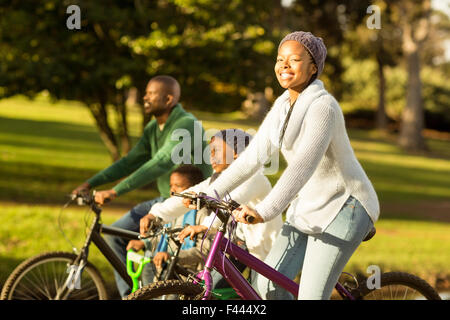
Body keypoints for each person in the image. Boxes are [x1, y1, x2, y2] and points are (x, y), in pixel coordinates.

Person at [199, 31, 380, 300]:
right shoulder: (283, 106)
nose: (284, 65)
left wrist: (265, 210)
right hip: (309, 206)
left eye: (294, 59)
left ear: (313, 68)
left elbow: (302, 167)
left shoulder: (324, 107)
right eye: (279, 59)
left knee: (311, 296)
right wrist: (210, 194)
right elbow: (252, 157)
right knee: (266, 286)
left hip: (346, 206)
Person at [71, 75, 212, 298]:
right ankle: (133, 296)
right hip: (165, 198)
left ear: (168, 99)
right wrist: (91, 183)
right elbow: (130, 161)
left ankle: (151, 294)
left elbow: (160, 163)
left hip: (189, 204)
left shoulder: (186, 124)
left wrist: (116, 191)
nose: (145, 97)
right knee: (115, 236)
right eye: (145, 93)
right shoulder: (154, 128)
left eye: (151, 93)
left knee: (158, 252)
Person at [139, 129, 283, 288]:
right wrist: (155, 214)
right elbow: (191, 194)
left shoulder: (254, 177)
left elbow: (230, 201)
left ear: (236, 153)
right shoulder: (219, 179)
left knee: (266, 292)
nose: (211, 155)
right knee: (207, 288)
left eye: (217, 150)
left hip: (264, 251)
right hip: (236, 247)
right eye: (210, 151)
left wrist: (205, 226)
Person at [126, 164, 206, 285]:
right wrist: (144, 243)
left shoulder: (202, 214)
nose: (172, 190)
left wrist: (173, 257)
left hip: (188, 273)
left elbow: (204, 251)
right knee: (148, 265)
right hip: (165, 267)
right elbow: (162, 235)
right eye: (171, 186)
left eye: (178, 186)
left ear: (194, 188)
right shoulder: (170, 209)